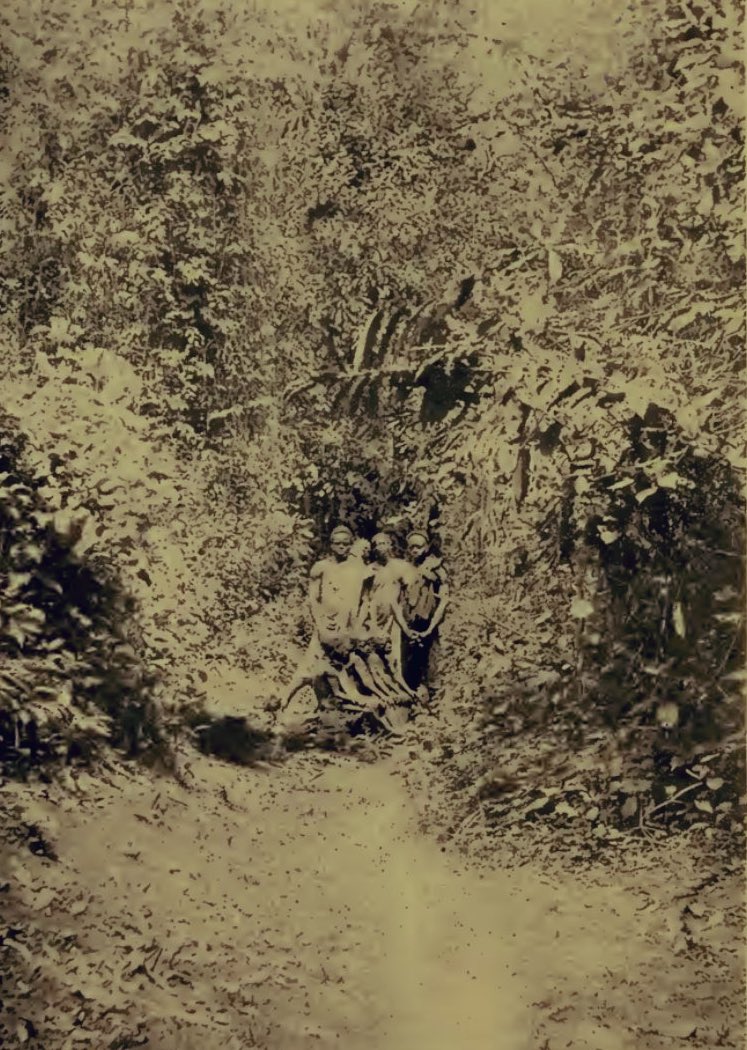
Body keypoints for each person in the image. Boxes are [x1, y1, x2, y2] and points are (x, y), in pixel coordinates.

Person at [400, 530, 450, 693]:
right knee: (409, 665)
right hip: (409, 624)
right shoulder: (406, 568)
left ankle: (434, 701)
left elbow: (444, 600)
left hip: (429, 622)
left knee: (431, 663)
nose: (415, 550)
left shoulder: (436, 567)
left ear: (427, 546)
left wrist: (431, 627)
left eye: (419, 547)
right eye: (411, 547)